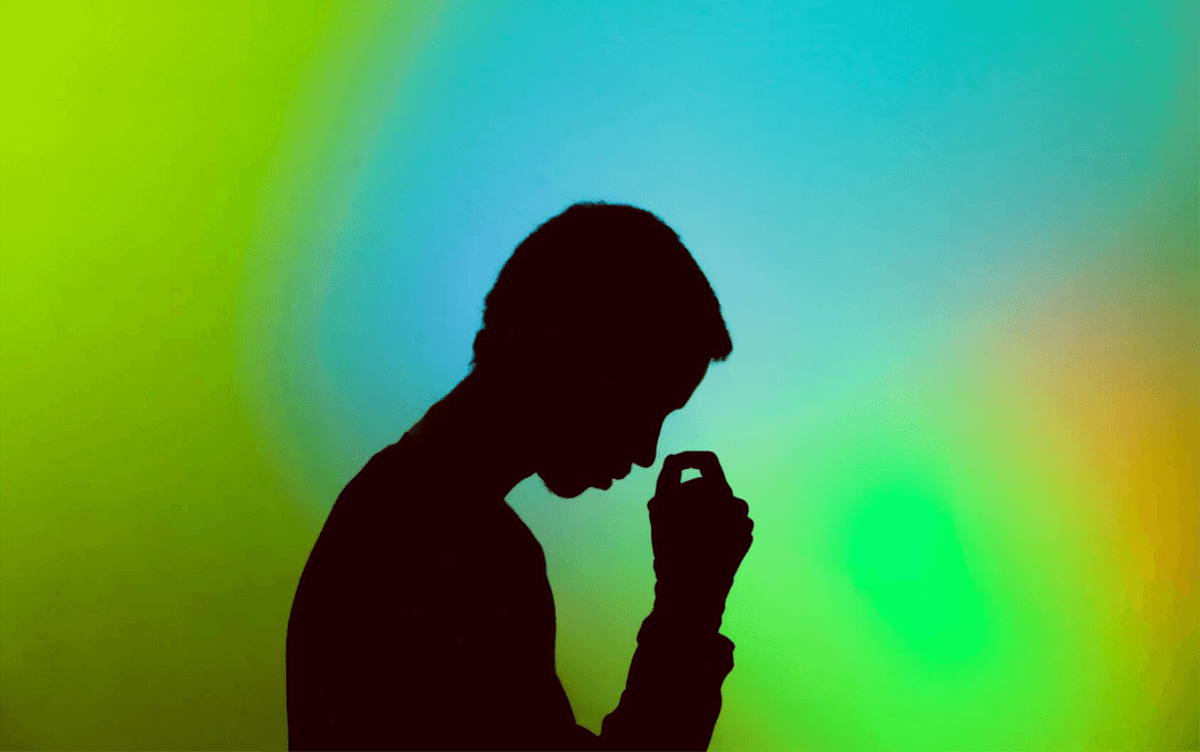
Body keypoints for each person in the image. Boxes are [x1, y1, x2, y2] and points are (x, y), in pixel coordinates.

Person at [286, 202, 754, 751]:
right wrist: (688, 608)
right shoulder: (451, 545)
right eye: (644, 403)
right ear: (574, 352)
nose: (647, 452)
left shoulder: (401, 511)